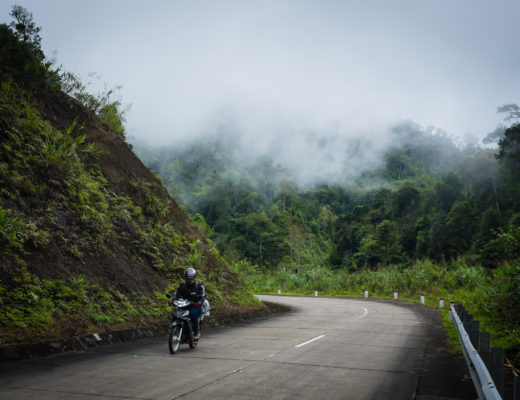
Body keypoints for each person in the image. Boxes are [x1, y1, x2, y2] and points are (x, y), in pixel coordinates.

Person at [174, 267, 206, 340]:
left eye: (190, 277)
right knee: (175, 313)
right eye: (188, 277)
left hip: (195, 306)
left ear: (194, 277)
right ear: (185, 277)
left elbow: (203, 296)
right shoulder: (181, 285)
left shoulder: (199, 286)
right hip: (184, 305)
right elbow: (176, 295)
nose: (189, 278)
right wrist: (173, 301)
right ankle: (174, 328)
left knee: (193, 313)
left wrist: (199, 303)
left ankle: (196, 332)